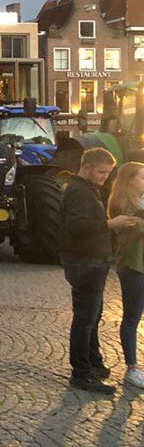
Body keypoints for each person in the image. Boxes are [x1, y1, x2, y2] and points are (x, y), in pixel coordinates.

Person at [61, 147, 139, 394]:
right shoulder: (78, 192)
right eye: (102, 172)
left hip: (93, 261)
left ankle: (93, 362)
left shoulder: (88, 189)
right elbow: (75, 227)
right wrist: (110, 224)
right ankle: (81, 373)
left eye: (108, 173)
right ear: (86, 167)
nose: (105, 177)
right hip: (84, 262)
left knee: (93, 316)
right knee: (84, 319)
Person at [107, 161, 144, 389]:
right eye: (142, 177)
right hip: (134, 266)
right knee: (132, 317)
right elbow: (136, 228)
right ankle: (132, 368)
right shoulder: (122, 206)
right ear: (130, 180)